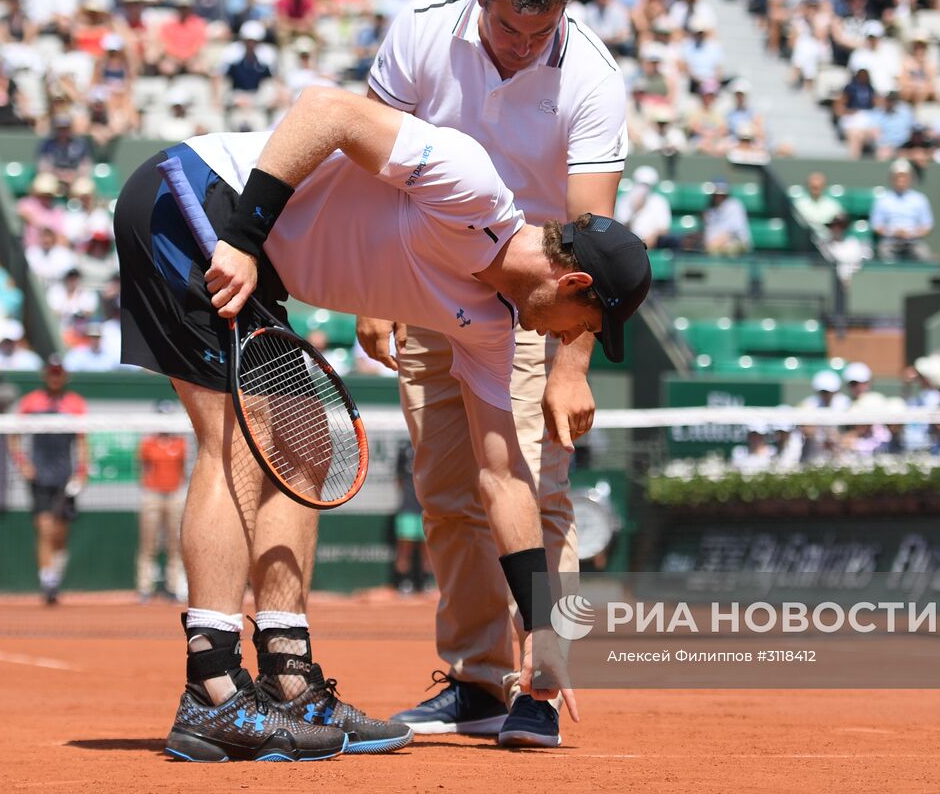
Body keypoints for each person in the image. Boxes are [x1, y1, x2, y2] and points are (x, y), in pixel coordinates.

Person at [113, 84, 650, 762]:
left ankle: (287, 676)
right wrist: (245, 239)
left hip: (252, 250)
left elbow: (505, 476)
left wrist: (540, 623)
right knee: (239, 442)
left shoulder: (492, 326)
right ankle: (212, 688)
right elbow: (324, 111)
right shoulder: (472, 183)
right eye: (590, 328)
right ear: (573, 285)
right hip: (197, 203)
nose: (575, 339)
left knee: (305, 445)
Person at [361, 0, 628, 749]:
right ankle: (477, 679)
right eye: (509, 27)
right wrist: (366, 292)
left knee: (532, 489)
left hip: (531, 297)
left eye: (538, 32)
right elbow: (366, 158)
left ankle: (541, 686)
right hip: (421, 284)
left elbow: (592, 243)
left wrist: (572, 366)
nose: (520, 46)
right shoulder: (418, 29)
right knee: (446, 494)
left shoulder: (591, 76)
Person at [8, 356, 88, 605]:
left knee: (60, 532)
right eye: (51, 373)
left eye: (59, 373)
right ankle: (47, 581)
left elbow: (83, 442)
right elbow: (13, 435)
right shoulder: (31, 402)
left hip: (65, 477)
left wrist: (81, 472)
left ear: (64, 376)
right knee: (44, 527)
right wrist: (23, 463)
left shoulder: (76, 404)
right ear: (45, 375)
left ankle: (56, 576)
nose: (55, 377)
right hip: (40, 476)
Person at [137, 404, 188, 603]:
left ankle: (173, 587)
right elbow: (142, 467)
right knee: (148, 543)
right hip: (152, 495)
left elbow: (183, 468)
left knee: (174, 545)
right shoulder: (148, 443)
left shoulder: (180, 443)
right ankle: (145, 587)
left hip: (175, 495)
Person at [869, 160, 933, 261]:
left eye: (904, 177)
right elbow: (876, 225)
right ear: (892, 178)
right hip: (889, 243)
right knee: (883, 254)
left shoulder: (920, 199)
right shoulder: (882, 200)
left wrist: (911, 234)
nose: (901, 180)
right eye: (898, 177)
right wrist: (893, 233)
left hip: (913, 242)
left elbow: (927, 226)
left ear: (910, 178)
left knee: (925, 255)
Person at [391, 441, 431, 595]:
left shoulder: (430, 447)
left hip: (426, 509)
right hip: (407, 509)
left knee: (427, 548)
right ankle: (404, 581)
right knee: (405, 547)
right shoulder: (404, 449)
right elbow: (399, 480)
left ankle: (425, 581)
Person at [613, 165, 672, 249]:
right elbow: (621, 228)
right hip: (628, 243)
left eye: (647, 185)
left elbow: (664, 229)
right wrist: (635, 211)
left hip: (653, 243)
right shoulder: (624, 200)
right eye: (641, 184)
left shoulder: (660, 201)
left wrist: (652, 237)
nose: (643, 188)